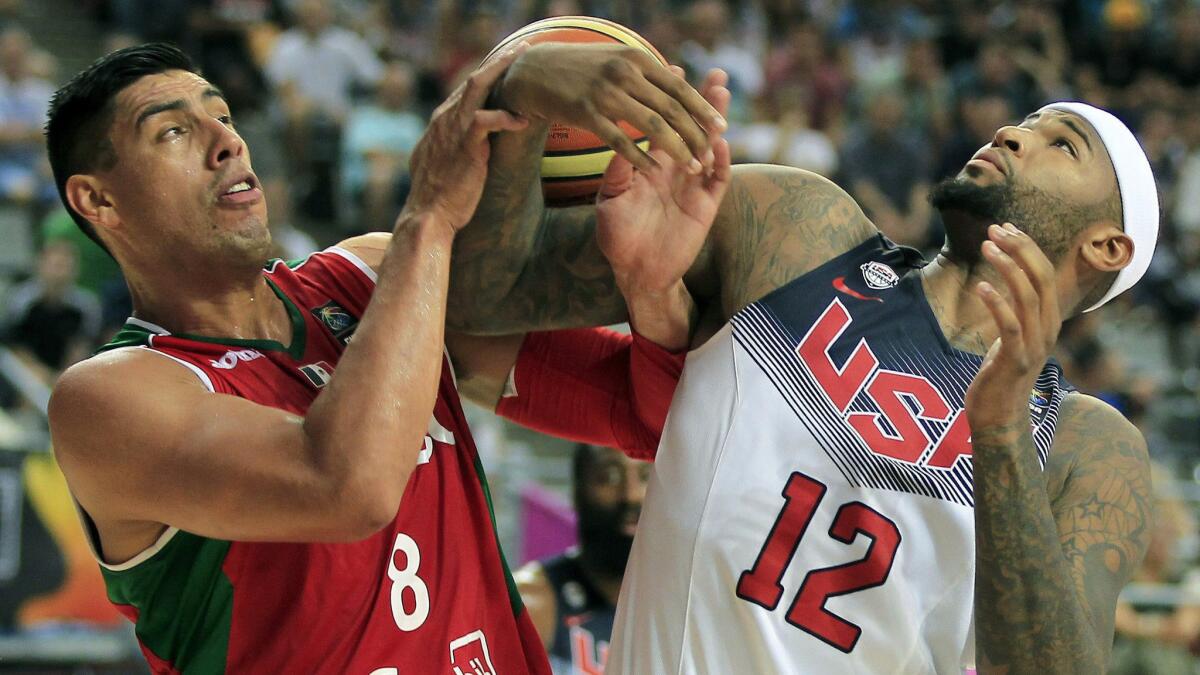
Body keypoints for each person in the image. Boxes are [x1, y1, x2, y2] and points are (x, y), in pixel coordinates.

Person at [45, 42, 725, 672]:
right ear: (97, 200)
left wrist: (651, 288)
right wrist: (429, 214)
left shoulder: (374, 275)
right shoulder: (110, 397)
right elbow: (347, 486)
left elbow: (648, 420)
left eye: (223, 116)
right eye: (173, 131)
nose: (226, 142)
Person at [448, 69, 1155, 673]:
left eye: (1062, 144)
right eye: (1024, 123)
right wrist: (526, 89)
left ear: (1107, 245)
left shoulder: (1083, 447)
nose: (1012, 134)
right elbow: (480, 294)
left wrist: (999, 434)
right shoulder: (794, 232)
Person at [516, 443, 649, 674]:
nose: (631, 494)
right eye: (610, 476)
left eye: (647, 476)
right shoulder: (530, 603)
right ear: (577, 491)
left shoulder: (692, 605)